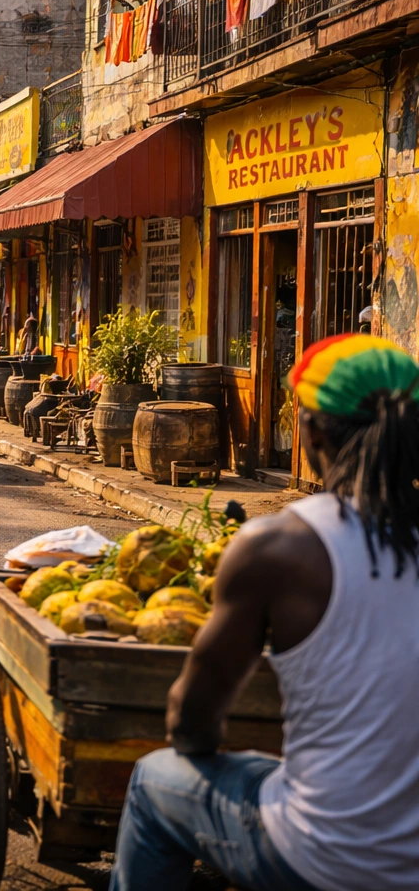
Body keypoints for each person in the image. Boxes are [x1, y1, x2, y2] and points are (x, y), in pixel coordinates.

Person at [110, 333, 419, 891]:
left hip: (320, 856)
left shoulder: (281, 548)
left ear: (313, 431)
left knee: (155, 780)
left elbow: (192, 719)